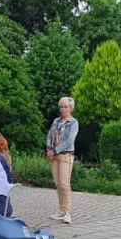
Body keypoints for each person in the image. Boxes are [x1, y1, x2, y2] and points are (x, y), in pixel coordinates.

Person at [46, 96, 79, 224]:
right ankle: (61, 210)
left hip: (65, 155)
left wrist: (55, 150)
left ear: (71, 108)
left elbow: (69, 140)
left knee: (65, 184)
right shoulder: (56, 121)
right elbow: (50, 135)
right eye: (61, 107)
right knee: (58, 183)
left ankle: (67, 213)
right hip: (54, 156)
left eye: (66, 107)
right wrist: (49, 149)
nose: (63, 109)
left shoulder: (73, 123)